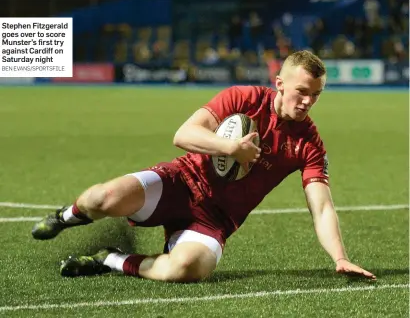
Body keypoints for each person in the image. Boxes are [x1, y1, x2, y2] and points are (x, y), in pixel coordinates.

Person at [32, 50, 377, 282]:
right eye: (302, 91)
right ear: (280, 83)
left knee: (186, 268)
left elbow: (321, 207)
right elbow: (184, 134)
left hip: (214, 219)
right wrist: (232, 148)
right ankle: (66, 217)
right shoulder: (242, 98)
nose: (307, 102)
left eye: (316, 95)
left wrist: (339, 257)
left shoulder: (309, 143)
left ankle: (110, 259)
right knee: (101, 198)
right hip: (180, 181)